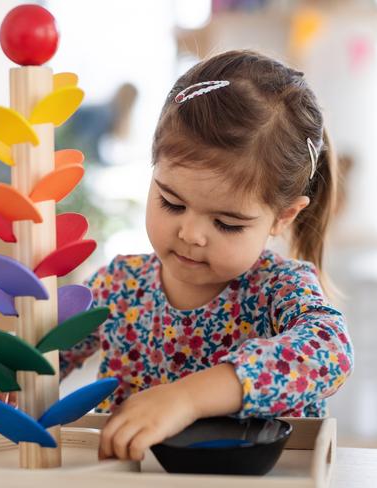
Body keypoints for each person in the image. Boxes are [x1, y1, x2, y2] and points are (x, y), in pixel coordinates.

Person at [60, 50, 354, 461]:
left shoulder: (278, 289)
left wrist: (189, 398)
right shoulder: (117, 285)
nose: (191, 234)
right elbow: (48, 355)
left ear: (282, 217)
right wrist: (13, 372)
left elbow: (330, 351)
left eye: (228, 224)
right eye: (171, 203)